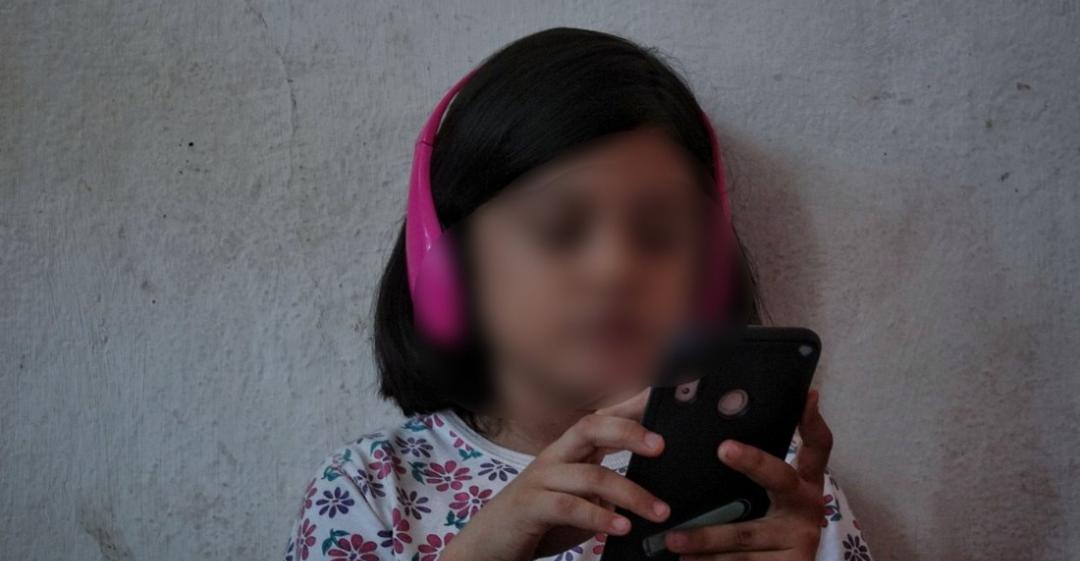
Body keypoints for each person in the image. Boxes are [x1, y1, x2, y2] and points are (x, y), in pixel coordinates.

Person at [280, 27, 873, 561]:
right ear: (447, 266)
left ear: (710, 273)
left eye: (660, 234)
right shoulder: (372, 488)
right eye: (558, 229)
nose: (615, 270)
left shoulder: (771, 489)